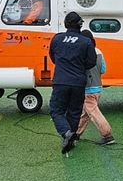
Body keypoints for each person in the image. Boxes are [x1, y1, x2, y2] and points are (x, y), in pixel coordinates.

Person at [49, 12, 97, 154]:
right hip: (78, 82)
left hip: (61, 80)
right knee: (75, 111)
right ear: (80, 24)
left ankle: (66, 133)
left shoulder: (57, 39)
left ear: (65, 23)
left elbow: (53, 57)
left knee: (56, 110)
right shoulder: (86, 41)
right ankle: (71, 138)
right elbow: (91, 62)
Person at [75, 29, 115, 146]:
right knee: (86, 113)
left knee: (94, 113)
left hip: (87, 89)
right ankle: (76, 133)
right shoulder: (99, 52)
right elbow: (103, 69)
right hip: (98, 88)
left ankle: (107, 135)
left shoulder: (80, 53)